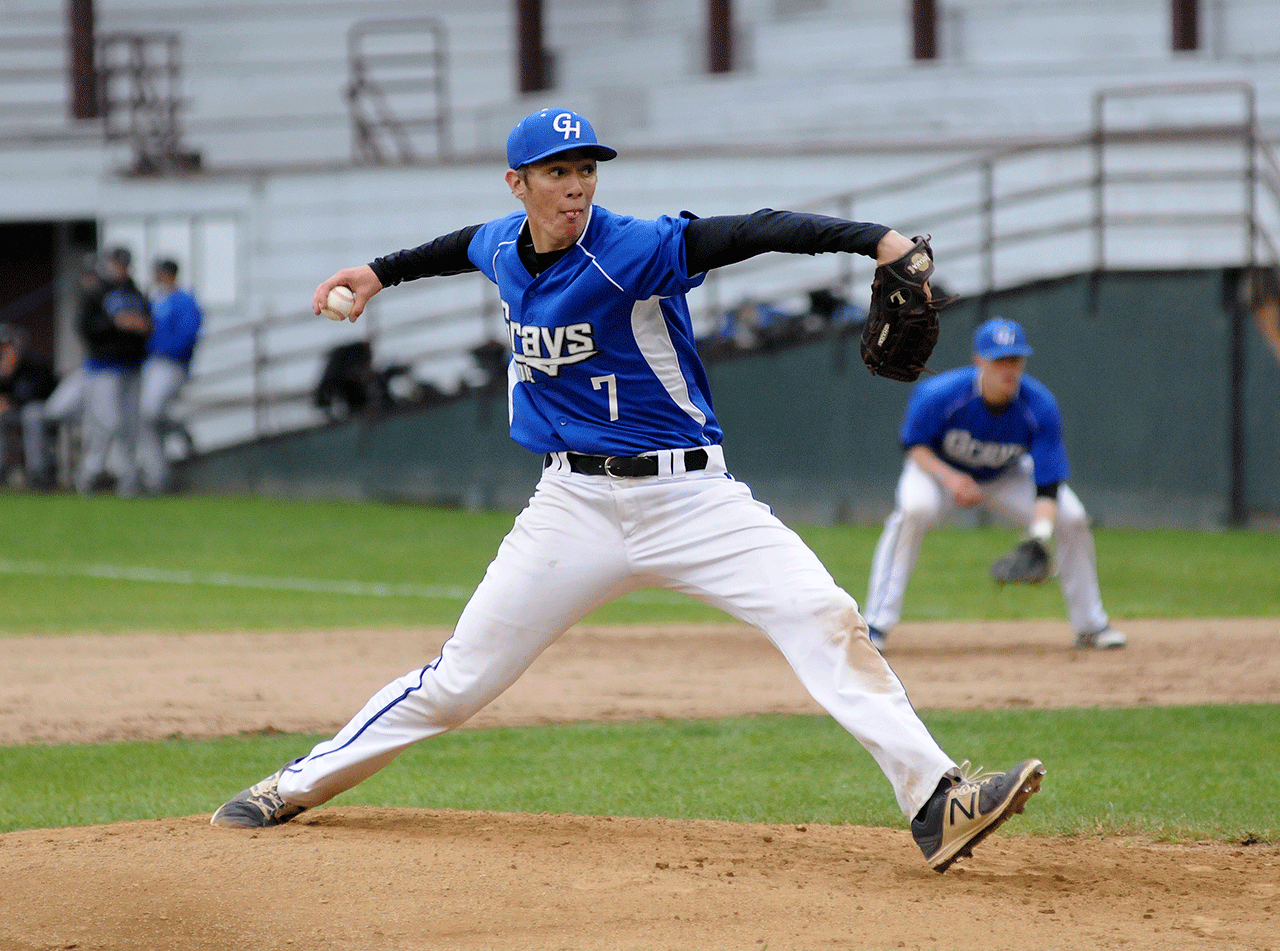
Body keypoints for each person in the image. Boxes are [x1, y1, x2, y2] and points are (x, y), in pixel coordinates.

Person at [211, 107, 1045, 873]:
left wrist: (879, 241)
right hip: (571, 509)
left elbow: (751, 231)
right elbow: (461, 243)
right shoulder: (504, 243)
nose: (575, 186)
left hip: (694, 500)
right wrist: (376, 273)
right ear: (520, 185)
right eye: (556, 172)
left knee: (824, 616)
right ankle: (297, 782)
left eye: (586, 170)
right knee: (458, 679)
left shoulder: (632, 247)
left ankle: (937, 801)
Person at [864, 317, 1127, 652]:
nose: (1009, 369)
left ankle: (1091, 626)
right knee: (914, 511)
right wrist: (951, 478)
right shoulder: (940, 393)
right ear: (979, 360)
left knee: (1072, 519)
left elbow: (1048, 483)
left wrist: (1039, 534)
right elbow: (913, 444)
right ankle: (875, 624)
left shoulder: (1039, 405)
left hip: (1005, 476)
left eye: (1015, 360)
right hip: (938, 472)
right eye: (999, 360)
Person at [76, 246, 151, 496]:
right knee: (109, 423)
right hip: (103, 368)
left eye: (123, 264)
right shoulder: (96, 293)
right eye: (115, 263)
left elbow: (148, 325)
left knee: (130, 426)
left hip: (132, 365)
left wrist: (140, 327)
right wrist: (116, 324)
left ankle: (128, 481)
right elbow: (85, 328)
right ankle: (90, 472)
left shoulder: (137, 294)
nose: (119, 268)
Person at [137, 258, 202, 494]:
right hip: (150, 364)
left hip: (171, 364)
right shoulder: (154, 301)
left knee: (150, 412)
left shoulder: (185, 300)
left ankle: (178, 429)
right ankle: (157, 477)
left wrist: (161, 347)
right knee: (145, 419)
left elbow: (187, 337)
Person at [0, 323, 59, 490]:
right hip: (15, 411)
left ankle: (38, 473)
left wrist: (9, 397)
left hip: (44, 410)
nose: (5, 351)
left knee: (31, 414)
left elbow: (32, 394)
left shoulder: (36, 361)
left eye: (8, 346)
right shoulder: (3, 366)